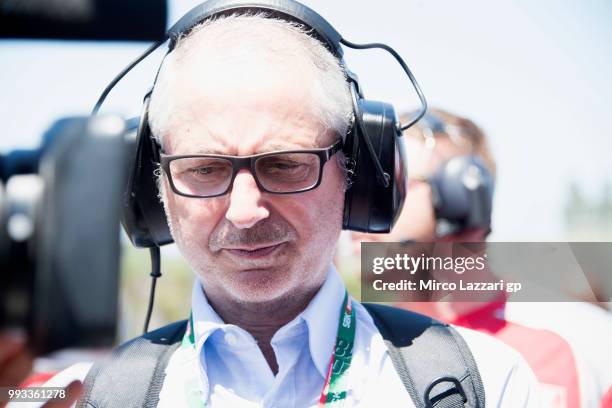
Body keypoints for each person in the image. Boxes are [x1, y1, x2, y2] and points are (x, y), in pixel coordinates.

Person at [43, 6, 540, 407]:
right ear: (153, 191)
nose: (244, 211)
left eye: (283, 165)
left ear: (357, 176)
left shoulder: (488, 384)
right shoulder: (72, 396)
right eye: (204, 170)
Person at [350, 108, 612, 407]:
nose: (358, 204)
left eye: (389, 181)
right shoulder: (351, 346)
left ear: (462, 200)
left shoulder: (587, 347)